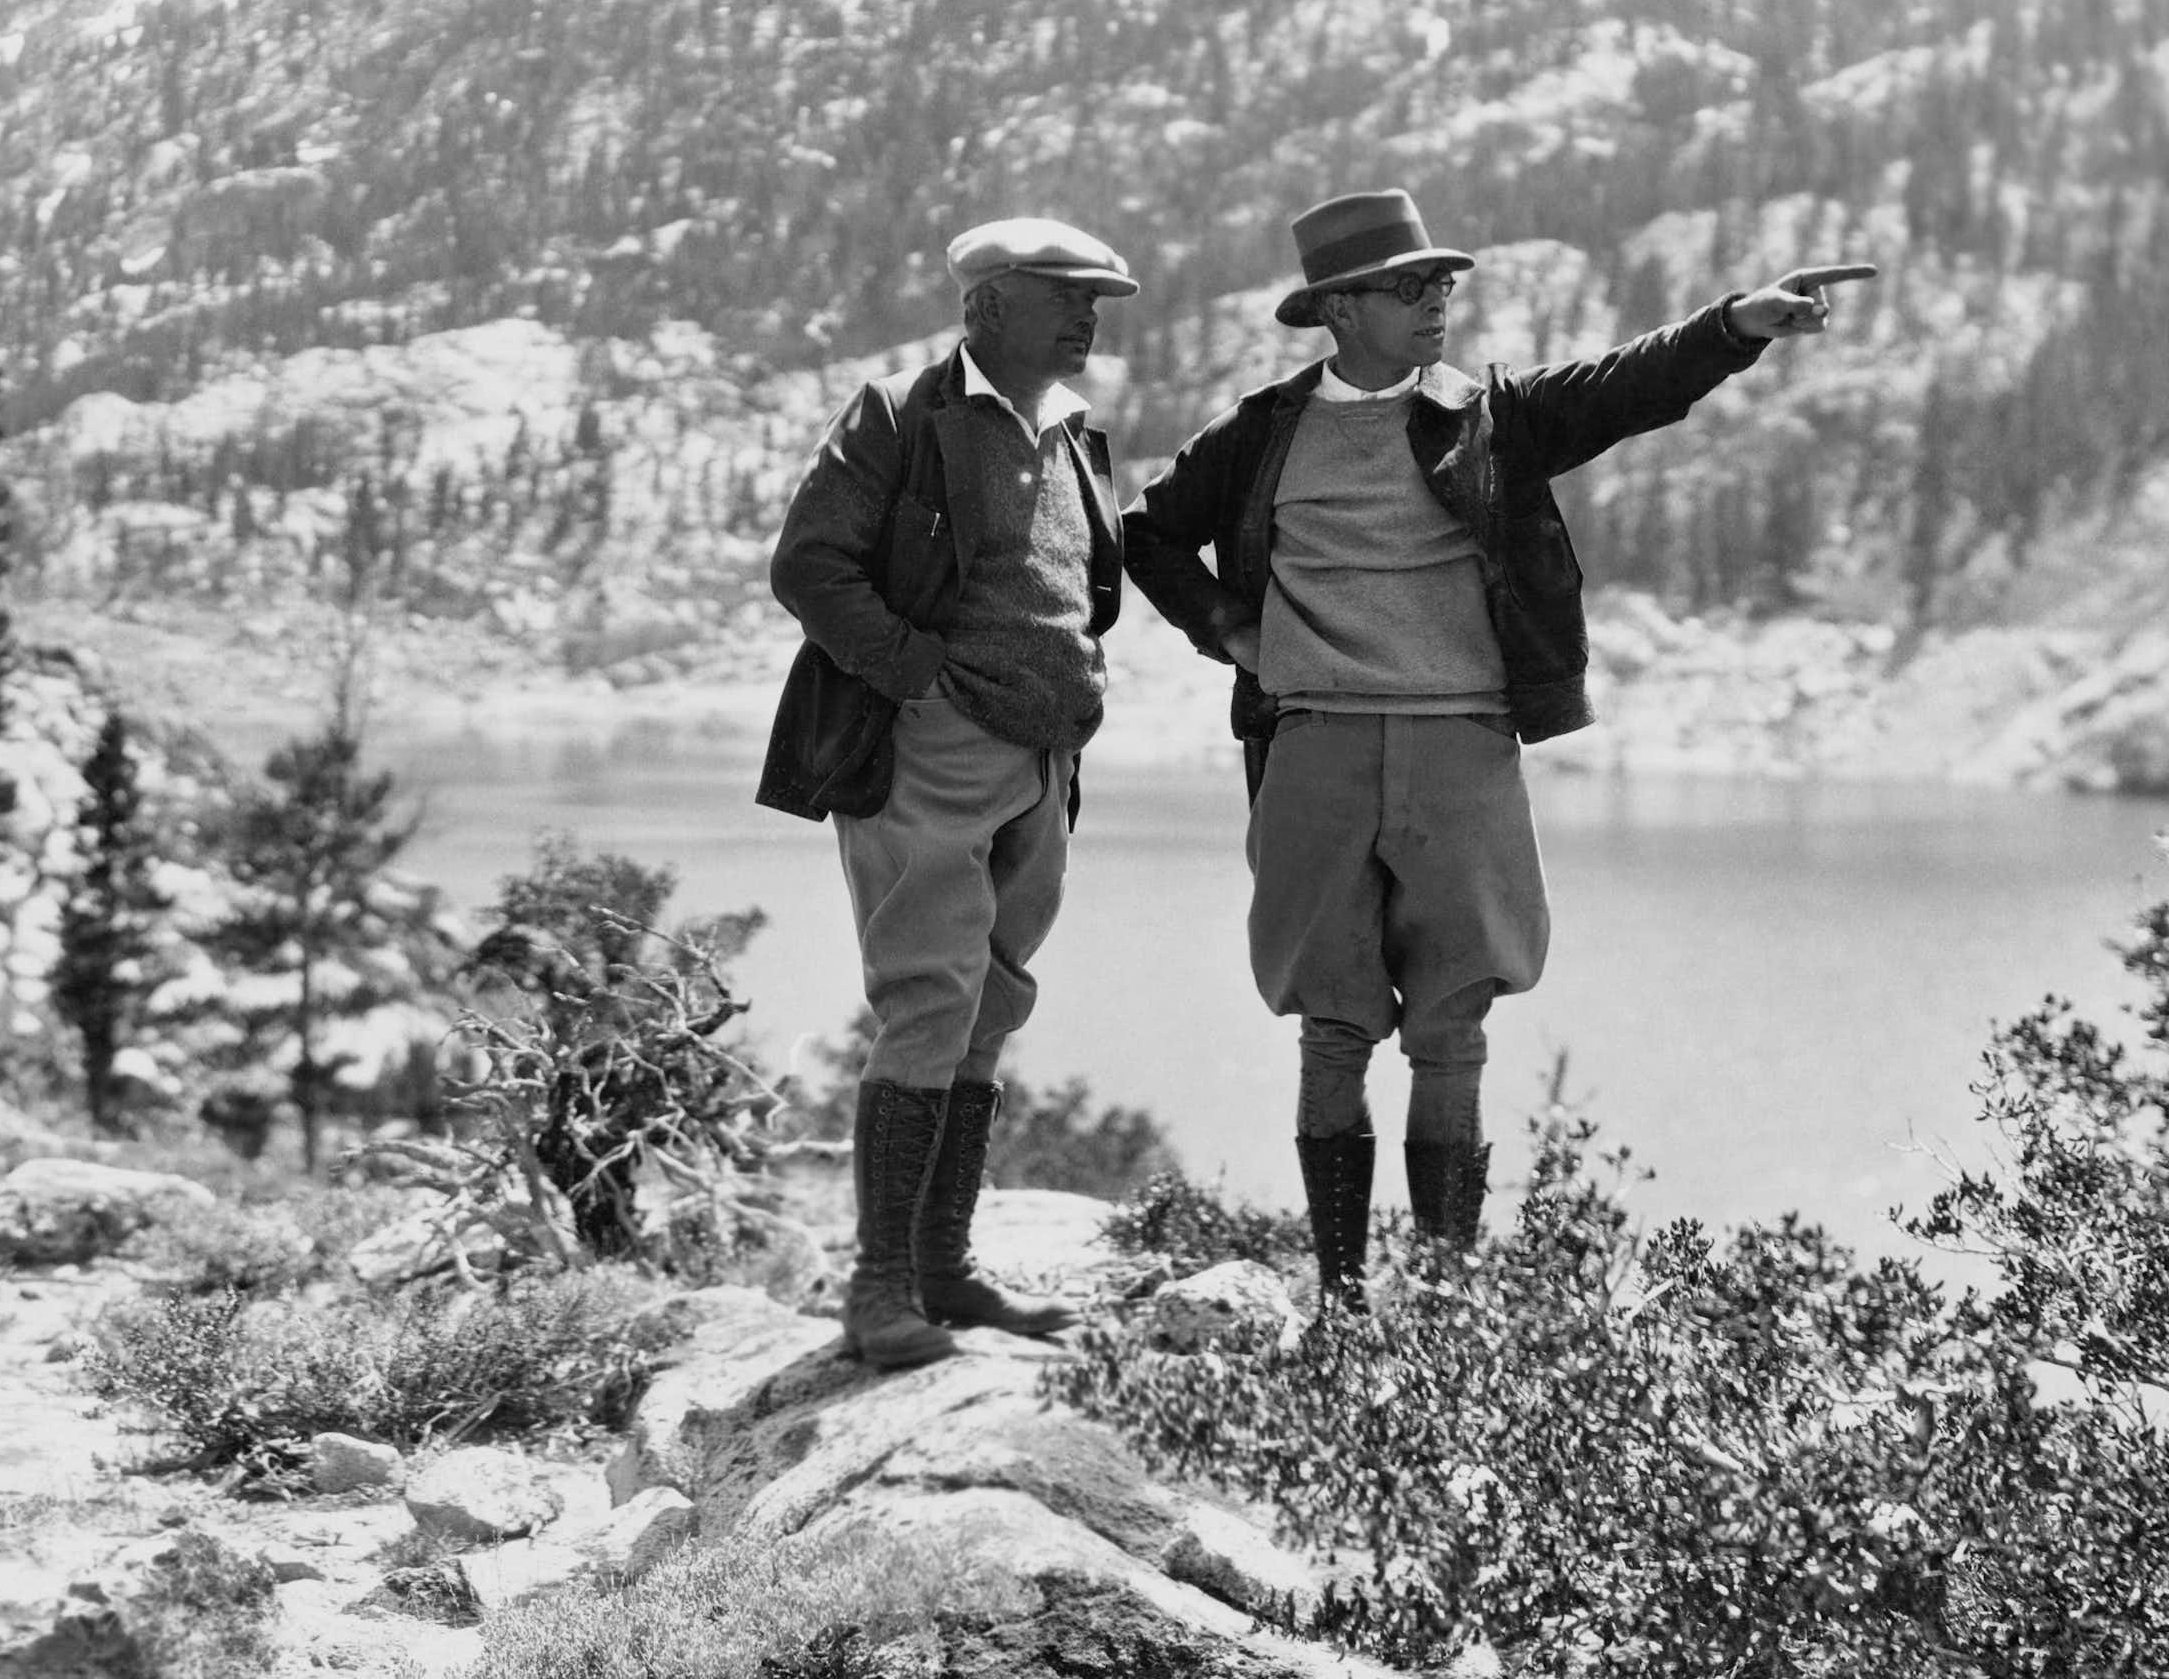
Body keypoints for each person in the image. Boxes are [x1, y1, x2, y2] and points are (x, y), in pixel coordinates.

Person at [1121, 187, 1869, 1302]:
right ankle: (1340, 1307)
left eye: (1443, 284)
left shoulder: (1490, 417)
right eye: (1410, 287)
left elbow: (1625, 387)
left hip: (1463, 745)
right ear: (1339, 308)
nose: (1437, 302)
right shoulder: (1261, 432)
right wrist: (1231, 631)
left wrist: (1733, 325)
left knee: (1452, 1021)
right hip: (1315, 745)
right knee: (1332, 1021)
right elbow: (1145, 534)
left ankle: (1443, 1308)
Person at [757, 217, 1137, 1367]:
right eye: (1063, 296)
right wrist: (917, 677)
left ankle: (944, 1271)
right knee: (930, 1000)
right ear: (987, 306)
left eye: (1094, 301)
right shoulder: (899, 415)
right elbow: (808, 565)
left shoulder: (1072, 431)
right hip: (932, 748)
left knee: (992, 1002)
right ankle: (880, 1296)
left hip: (1044, 759)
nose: (1085, 319)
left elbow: (1082, 588)